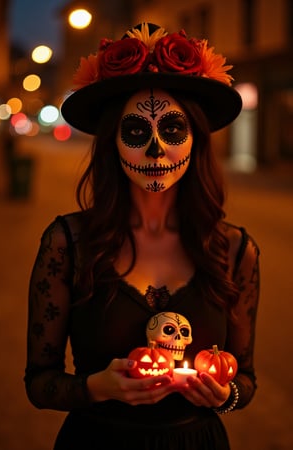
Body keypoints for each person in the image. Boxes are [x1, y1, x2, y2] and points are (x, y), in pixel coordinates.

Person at [24, 22, 260, 450]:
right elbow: (40, 383)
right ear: (112, 142)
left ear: (195, 142)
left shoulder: (236, 251)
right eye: (136, 132)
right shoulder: (67, 244)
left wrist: (227, 396)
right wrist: (97, 388)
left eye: (172, 130)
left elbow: (246, 378)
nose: (156, 150)